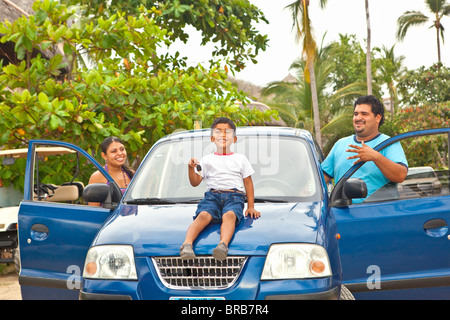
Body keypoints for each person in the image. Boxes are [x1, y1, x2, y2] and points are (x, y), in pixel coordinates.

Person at [180, 117, 260, 261]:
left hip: (234, 196)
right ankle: (187, 244)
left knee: (229, 215)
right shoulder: (206, 160)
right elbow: (195, 182)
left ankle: (222, 245)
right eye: (218, 132)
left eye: (227, 132)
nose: (223, 135)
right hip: (212, 196)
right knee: (203, 215)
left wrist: (251, 206)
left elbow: (248, 183)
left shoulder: (240, 159)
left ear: (234, 139)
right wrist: (190, 168)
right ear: (212, 138)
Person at [321, 95, 408, 203]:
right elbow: (320, 180)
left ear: (378, 117)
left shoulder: (389, 143)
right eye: (356, 114)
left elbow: (400, 175)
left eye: (364, 114)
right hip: (342, 215)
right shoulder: (340, 144)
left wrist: (376, 157)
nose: (358, 118)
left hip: (379, 215)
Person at [88, 137, 134, 206]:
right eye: (114, 151)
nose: (120, 153)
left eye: (122, 149)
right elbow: (93, 210)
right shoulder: (98, 176)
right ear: (104, 155)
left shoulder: (132, 174)